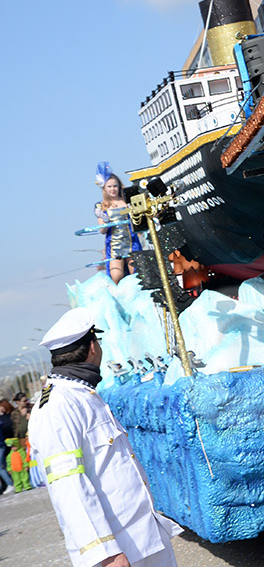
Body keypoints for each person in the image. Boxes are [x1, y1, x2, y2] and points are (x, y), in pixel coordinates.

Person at [30, 308, 181, 567]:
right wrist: (106, 552)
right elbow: (68, 483)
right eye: (97, 342)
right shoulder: (58, 405)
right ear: (92, 347)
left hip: (143, 540)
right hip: (118, 552)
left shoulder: (84, 394)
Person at [96, 174, 142, 285]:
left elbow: (138, 220)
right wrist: (105, 219)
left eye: (115, 186)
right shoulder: (101, 206)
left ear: (119, 186)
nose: (113, 189)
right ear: (104, 188)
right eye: (109, 186)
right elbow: (102, 231)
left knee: (138, 276)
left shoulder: (127, 202)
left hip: (132, 243)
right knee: (116, 277)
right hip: (114, 246)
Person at [0, 400, 15, 494]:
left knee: (1, 467)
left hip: (2, 445)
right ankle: (9, 484)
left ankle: (10, 484)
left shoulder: (6, 418)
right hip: (3, 444)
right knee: (4, 465)